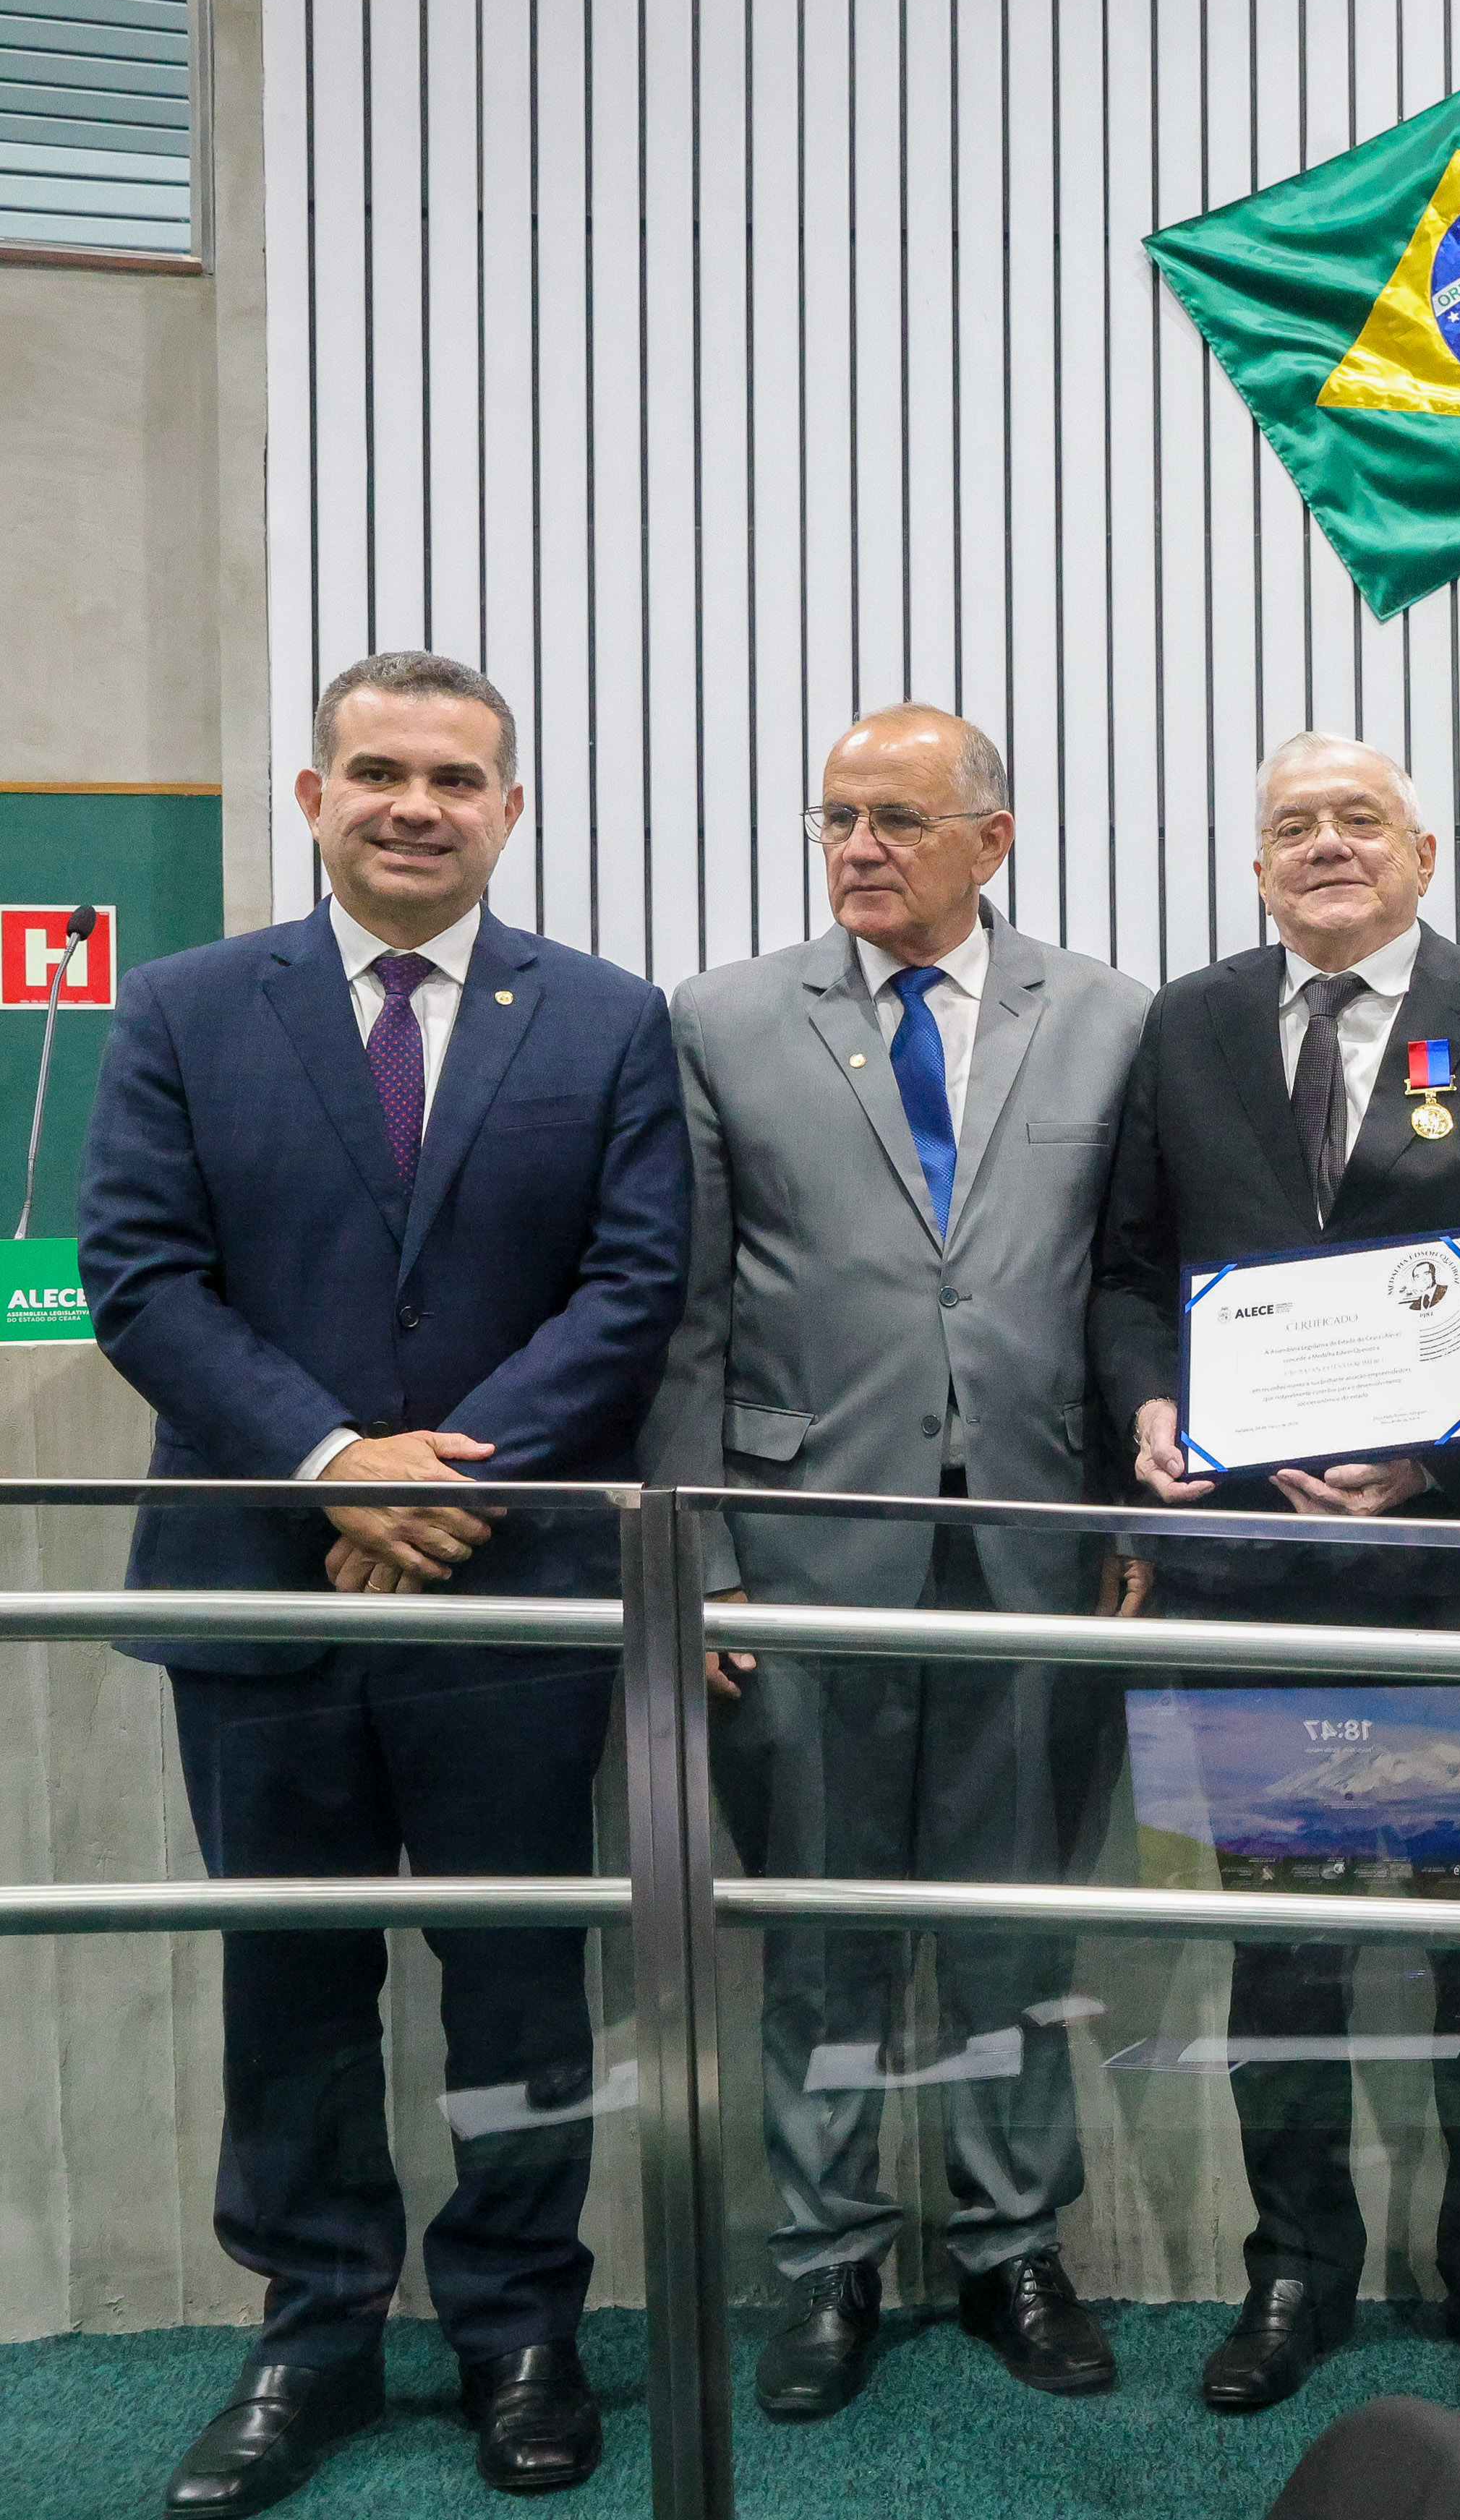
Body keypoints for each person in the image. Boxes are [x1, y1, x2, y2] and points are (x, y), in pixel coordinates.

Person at [79, 651, 688, 2515]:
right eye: (378, 772)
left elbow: (633, 1285)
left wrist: (446, 1478)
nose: (415, 805)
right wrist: (338, 1462)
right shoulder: (186, 1006)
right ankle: (314, 2333)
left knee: (520, 1985)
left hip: (507, 1595)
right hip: (264, 1588)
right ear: (313, 796)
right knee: (292, 1977)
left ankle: (522, 2333)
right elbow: (141, 1277)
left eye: (454, 778)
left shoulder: (607, 1018)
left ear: (510, 809)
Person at [1090, 732, 1460, 2417]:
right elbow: (1126, 1277)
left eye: (1359, 820)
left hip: (1449, 1567)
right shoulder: (1187, 1023)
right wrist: (1151, 1409)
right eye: (1293, 826)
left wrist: (1431, 1458)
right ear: (1256, 864)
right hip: (1254, 1573)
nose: (1327, 845)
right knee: (1287, 1955)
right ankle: (1294, 2271)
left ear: (1422, 851)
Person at [640, 703, 1153, 2420]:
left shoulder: (1111, 1017)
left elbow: (1128, 1288)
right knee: (823, 1927)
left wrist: (1128, 1518)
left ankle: (1013, 2244)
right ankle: (830, 2258)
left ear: (991, 841)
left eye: (899, 819)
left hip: (1035, 1537)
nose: (858, 848)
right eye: (837, 817)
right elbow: (686, 1310)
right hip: (798, 1548)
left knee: (1011, 1924)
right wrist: (702, 1550)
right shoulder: (721, 1019)